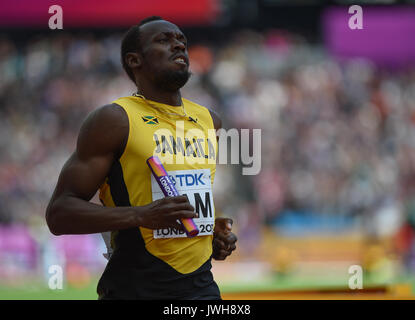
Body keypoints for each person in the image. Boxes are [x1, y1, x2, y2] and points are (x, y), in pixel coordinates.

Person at [45, 16, 237, 300]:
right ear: (134, 60)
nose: (178, 46)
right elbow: (59, 214)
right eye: (164, 40)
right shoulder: (114, 120)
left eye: (182, 41)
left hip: (202, 289)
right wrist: (141, 215)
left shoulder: (209, 121)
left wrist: (209, 232)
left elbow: (184, 197)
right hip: (135, 288)